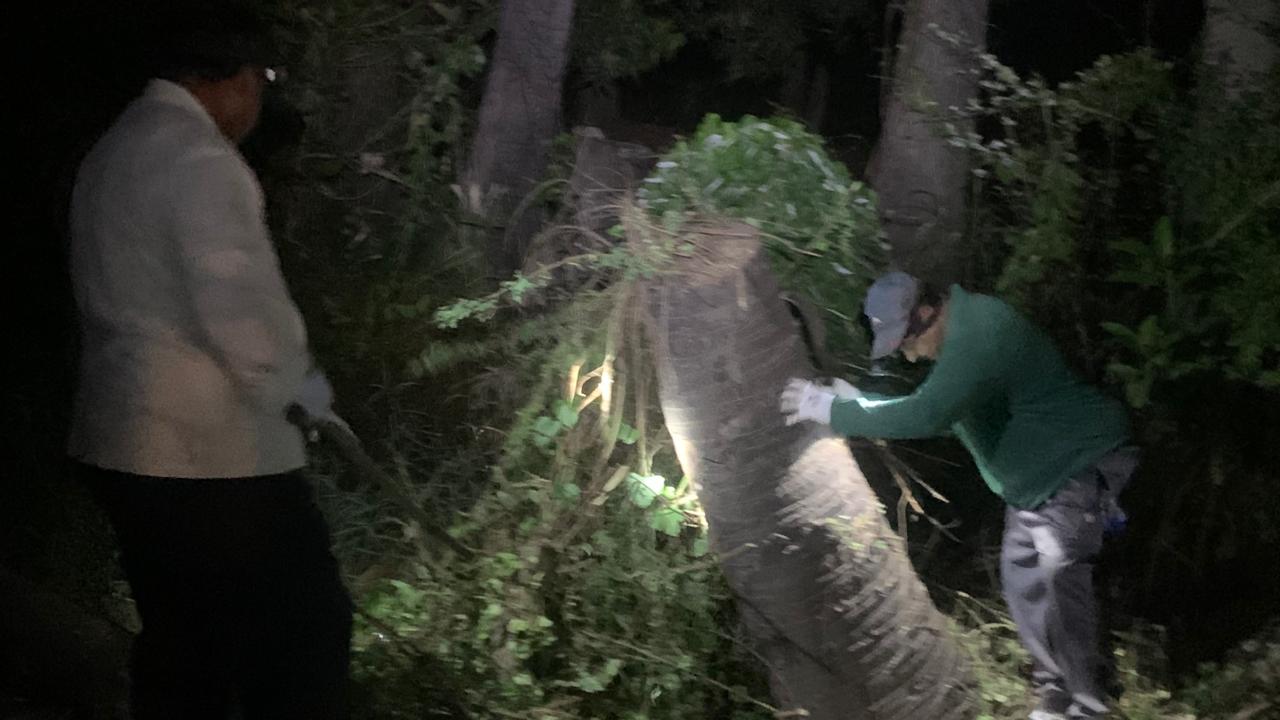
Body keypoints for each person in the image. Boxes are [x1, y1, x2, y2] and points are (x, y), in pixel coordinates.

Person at [66, 5, 352, 718]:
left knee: (184, 643)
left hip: (123, 441)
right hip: (206, 457)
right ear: (236, 79)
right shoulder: (200, 163)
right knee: (307, 631)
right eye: (263, 80)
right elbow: (245, 317)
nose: (259, 103)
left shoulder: (117, 148)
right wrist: (309, 398)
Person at [780, 271, 1139, 720]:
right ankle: (1055, 695)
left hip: (1077, 464)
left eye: (907, 342)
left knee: (1059, 574)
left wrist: (835, 412)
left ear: (927, 313)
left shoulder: (980, 333)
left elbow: (929, 413)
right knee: (1024, 586)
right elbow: (942, 410)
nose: (908, 354)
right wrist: (857, 404)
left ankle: (1088, 704)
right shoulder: (959, 340)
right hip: (1034, 487)